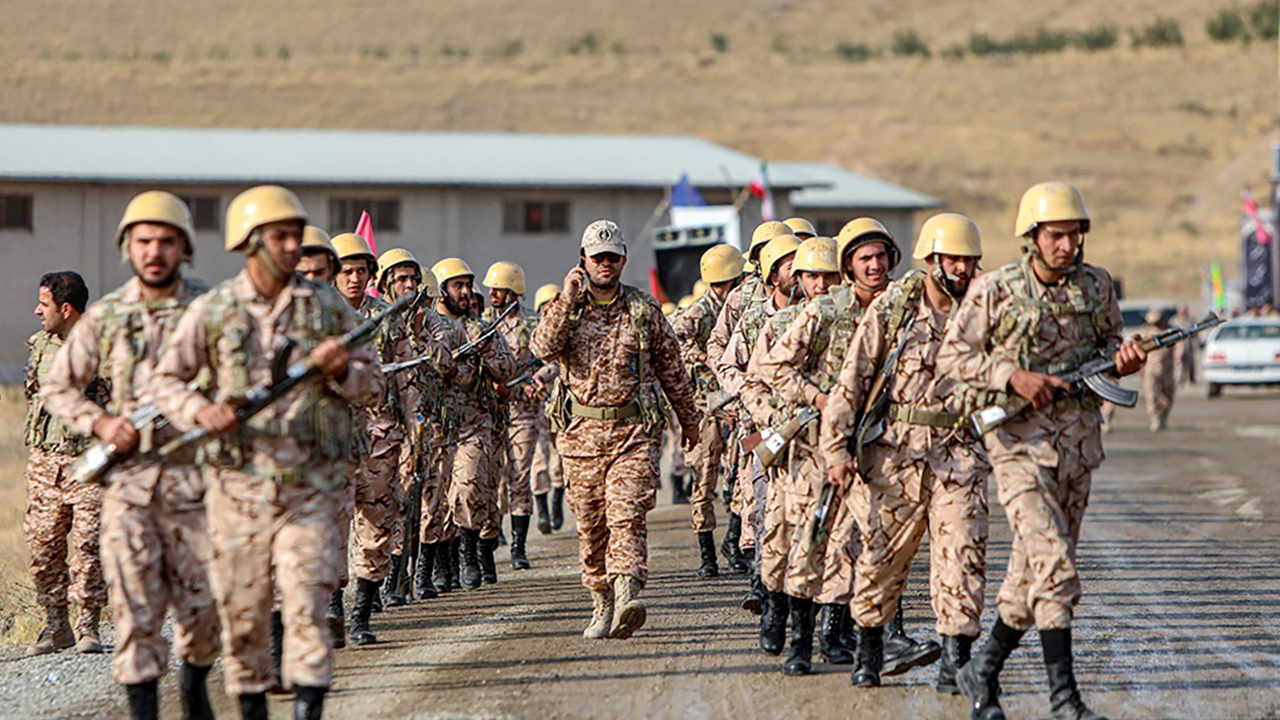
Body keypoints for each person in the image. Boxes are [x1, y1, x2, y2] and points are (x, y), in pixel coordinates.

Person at [151, 185, 383, 720]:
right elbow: (167, 380)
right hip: (238, 491)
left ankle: (307, 708)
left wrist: (342, 370)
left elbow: (373, 387)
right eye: (279, 236)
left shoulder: (328, 308)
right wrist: (200, 412)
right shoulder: (216, 308)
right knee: (246, 614)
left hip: (311, 490)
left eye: (295, 235)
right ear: (249, 242)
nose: (290, 246)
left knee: (307, 607)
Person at [938, 181, 1147, 720]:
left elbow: (1109, 346)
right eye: (1057, 235)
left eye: (1076, 234)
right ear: (1032, 236)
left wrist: (1122, 362)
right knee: (1055, 567)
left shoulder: (1096, 286)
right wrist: (1012, 376)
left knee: (1029, 576)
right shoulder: (996, 290)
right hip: (1017, 446)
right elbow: (953, 357)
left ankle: (982, 669)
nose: (1068, 246)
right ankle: (1065, 700)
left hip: (1077, 447)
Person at [42, 191, 220, 720]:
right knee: (137, 614)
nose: (154, 251)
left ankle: (194, 690)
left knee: (203, 616)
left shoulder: (211, 309)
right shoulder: (111, 316)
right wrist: (101, 422)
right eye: (143, 241)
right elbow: (58, 387)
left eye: (167, 240)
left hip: (198, 485)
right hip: (132, 487)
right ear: (127, 247)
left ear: (183, 247)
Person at [819, 214, 989, 692]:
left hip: (960, 457)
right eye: (952, 259)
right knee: (880, 558)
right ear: (930, 259)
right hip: (895, 457)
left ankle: (957, 663)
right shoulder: (895, 309)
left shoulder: (983, 312)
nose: (961, 268)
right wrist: (836, 449)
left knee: (962, 557)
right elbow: (851, 381)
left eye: (969, 260)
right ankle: (869, 648)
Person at [530, 219, 700, 640]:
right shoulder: (565, 309)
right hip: (580, 436)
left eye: (613, 256)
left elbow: (672, 370)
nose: (606, 263)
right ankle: (601, 600)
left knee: (627, 514)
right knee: (591, 526)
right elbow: (541, 348)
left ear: (623, 259)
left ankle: (627, 596)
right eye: (597, 256)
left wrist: (690, 420)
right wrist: (567, 299)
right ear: (583, 261)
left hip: (634, 433)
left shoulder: (643, 311)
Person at [742, 236, 844, 675]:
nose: (821, 284)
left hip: (839, 447)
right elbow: (753, 383)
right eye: (813, 276)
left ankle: (834, 632)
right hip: (794, 449)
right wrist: (776, 420)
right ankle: (776, 613)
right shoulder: (779, 324)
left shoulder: (855, 321)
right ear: (798, 279)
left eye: (829, 276)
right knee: (781, 539)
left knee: (840, 538)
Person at [331, 232, 412, 644]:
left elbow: (406, 372)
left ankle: (361, 614)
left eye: (362, 270)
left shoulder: (386, 315)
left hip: (381, 435)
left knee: (378, 522)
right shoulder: (317, 317)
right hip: (331, 438)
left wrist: (414, 429)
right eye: (347, 271)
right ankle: (332, 606)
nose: (355, 278)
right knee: (332, 523)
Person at [22, 270, 108, 658]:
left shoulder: (102, 349)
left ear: (67, 308)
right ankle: (57, 627)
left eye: (45, 304)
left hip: (88, 464)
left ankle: (88, 626)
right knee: (43, 550)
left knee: (88, 549)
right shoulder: (39, 346)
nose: (38, 310)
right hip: (44, 466)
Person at [708, 221, 793, 611]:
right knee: (759, 500)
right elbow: (720, 351)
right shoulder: (744, 300)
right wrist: (745, 392)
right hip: (757, 422)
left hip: (808, 424)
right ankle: (762, 583)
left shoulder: (820, 304)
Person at [432, 258, 518, 588]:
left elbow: (507, 369)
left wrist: (487, 352)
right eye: (458, 286)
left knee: (469, 487)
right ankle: (443, 563)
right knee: (438, 497)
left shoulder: (480, 329)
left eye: (468, 285)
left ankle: (470, 552)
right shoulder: (429, 327)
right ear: (442, 290)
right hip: (438, 424)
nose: (466, 292)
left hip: (474, 423)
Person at [375, 249, 454, 601]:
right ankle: (391, 578)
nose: (409, 285)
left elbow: (444, 362)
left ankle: (422, 573)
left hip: (429, 424)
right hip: (386, 424)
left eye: (412, 279)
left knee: (430, 500)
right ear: (386, 285)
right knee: (393, 502)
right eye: (401, 279)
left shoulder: (432, 320)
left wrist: (421, 334)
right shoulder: (379, 320)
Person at [671, 244, 745, 578]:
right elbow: (673, 341)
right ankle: (707, 555)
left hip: (736, 405)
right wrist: (703, 357)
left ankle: (736, 543)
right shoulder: (699, 312)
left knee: (739, 477)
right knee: (704, 476)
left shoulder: (742, 307)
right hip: (705, 406)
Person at [483, 261, 541, 569]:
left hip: (523, 413)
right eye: (490, 288)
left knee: (519, 477)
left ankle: (519, 548)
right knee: (491, 479)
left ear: (514, 291)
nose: (492, 293)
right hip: (490, 413)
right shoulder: (482, 324)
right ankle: (489, 542)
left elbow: (551, 360)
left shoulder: (533, 323)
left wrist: (540, 381)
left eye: (498, 289)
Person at [529, 283, 566, 533]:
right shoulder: (532, 335)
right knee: (539, 460)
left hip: (561, 408)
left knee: (560, 459)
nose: (548, 311)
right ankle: (542, 510)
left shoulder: (565, 334)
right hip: (537, 406)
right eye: (544, 307)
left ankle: (557, 503)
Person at [1140, 309, 1176, 432]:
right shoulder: (1147, 332)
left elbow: (1179, 350)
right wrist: (1140, 367)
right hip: (1151, 369)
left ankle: (1163, 416)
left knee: (1168, 396)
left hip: (1167, 369)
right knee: (1151, 396)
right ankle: (1155, 419)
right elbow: (1140, 350)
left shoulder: (1169, 332)